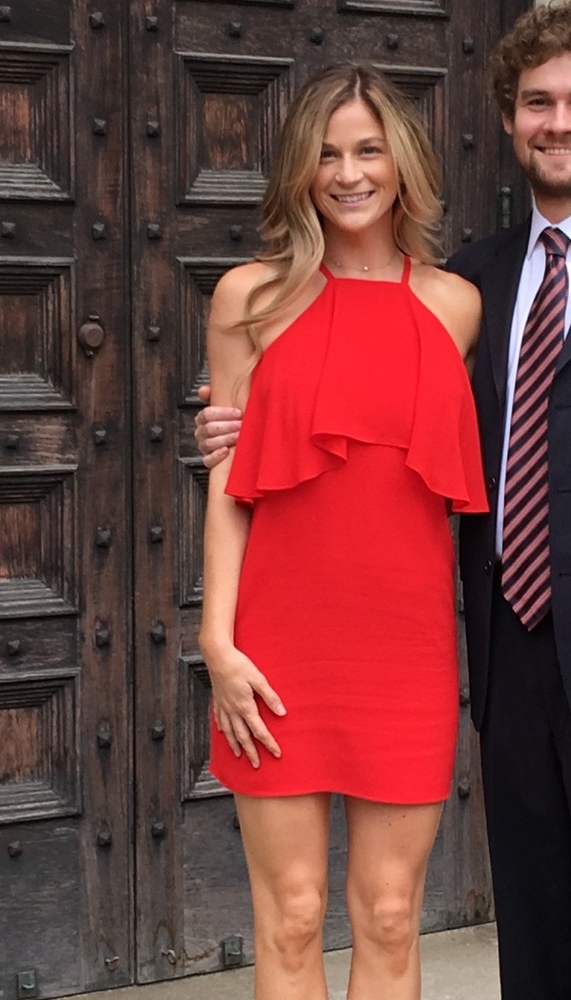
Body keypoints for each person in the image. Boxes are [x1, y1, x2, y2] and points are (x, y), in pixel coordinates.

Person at [198, 5, 571, 999]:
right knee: (529, 940)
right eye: (538, 102)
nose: (560, 123)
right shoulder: (477, 279)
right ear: (507, 118)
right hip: (499, 656)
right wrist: (229, 439)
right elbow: (279, 441)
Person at [198, 62, 485, 1000]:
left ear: (403, 164)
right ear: (299, 169)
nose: (348, 173)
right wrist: (217, 643)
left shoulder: (457, 305)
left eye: (368, 150)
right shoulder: (248, 298)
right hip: (279, 649)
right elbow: (230, 477)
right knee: (289, 913)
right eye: (326, 154)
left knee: (392, 915)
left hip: (405, 647)